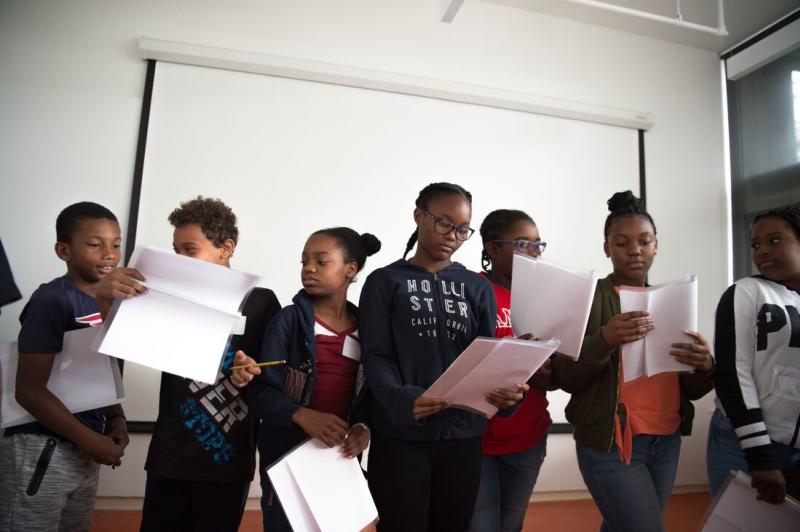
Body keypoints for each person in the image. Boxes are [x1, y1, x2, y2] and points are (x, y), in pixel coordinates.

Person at [95, 196, 280, 532]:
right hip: (170, 457)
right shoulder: (163, 293)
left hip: (227, 462)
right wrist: (104, 298)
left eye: (190, 250)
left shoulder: (263, 302)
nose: (180, 259)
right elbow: (115, 342)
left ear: (225, 247)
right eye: (175, 250)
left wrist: (252, 372)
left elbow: (275, 375)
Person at [360, 182, 527, 532]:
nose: (453, 235)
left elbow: (486, 358)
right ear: (419, 215)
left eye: (463, 229)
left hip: (462, 436)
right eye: (444, 223)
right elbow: (375, 356)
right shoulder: (384, 281)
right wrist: (404, 401)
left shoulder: (476, 287)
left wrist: (506, 395)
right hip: (400, 436)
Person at [550, 190, 714, 532]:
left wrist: (705, 365)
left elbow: (692, 389)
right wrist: (605, 339)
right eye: (622, 242)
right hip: (612, 442)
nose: (635, 249)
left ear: (656, 245)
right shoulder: (589, 298)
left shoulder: (673, 300)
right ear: (606, 247)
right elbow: (566, 377)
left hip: (666, 438)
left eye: (644, 240)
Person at [0, 202, 129, 531]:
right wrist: (92, 441)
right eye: (94, 244)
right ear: (63, 250)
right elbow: (28, 391)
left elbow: (96, 371)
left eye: (116, 244)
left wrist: (116, 418)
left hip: (85, 450)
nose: (109, 254)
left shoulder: (116, 305)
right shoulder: (51, 300)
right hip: (42, 446)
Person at [249, 227, 380, 532]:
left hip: (337, 457)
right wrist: (301, 415)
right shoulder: (288, 320)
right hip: (287, 456)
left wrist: (363, 428)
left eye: (321, 262)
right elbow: (261, 391)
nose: (308, 268)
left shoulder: (367, 326)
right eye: (304, 261)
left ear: (351, 269)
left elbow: (371, 393)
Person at [708, 206, 800, 504]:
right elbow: (733, 374)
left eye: (774, 241)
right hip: (745, 444)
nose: (761, 251)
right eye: (755, 244)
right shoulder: (747, 292)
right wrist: (760, 456)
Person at [468, 209, 552, 532]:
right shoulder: (472, 290)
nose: (533, 252)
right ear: (492, 249)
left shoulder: (543, 297)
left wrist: (547, 368)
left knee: (511, 524)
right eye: (522, 243)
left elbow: (554, 372)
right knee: (480, 525)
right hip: (479, 440)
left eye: (537, 245)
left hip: (529, 436)